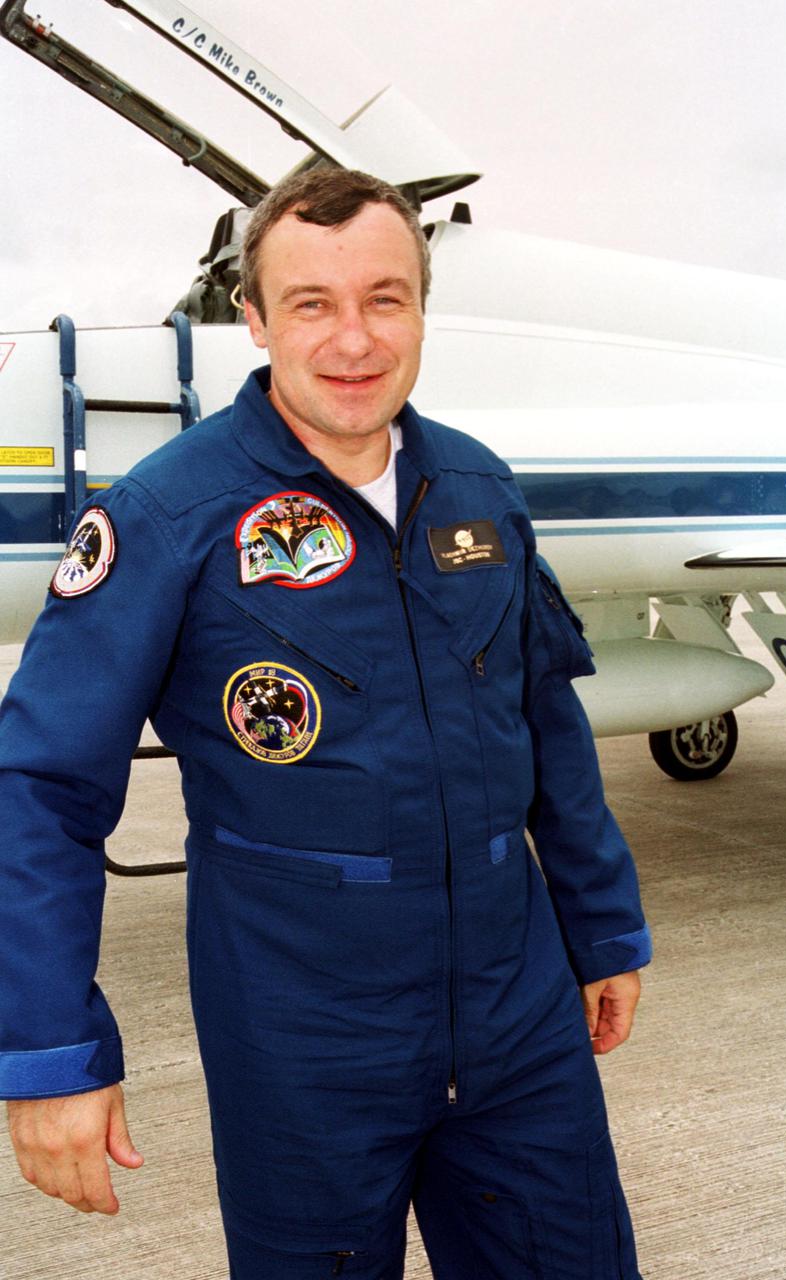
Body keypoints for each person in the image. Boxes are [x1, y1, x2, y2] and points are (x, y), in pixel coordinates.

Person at [0, 168, 652, 1278]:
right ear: (252, 318)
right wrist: (48, 1053)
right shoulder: (169, 517)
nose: (353, 339)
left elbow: (545, 714)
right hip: (302, 1038)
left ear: (420, 310)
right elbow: (40, 788)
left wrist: (602, 929)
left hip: (519, 1017)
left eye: (385, 298)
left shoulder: (478, 490)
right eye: (311, 303)